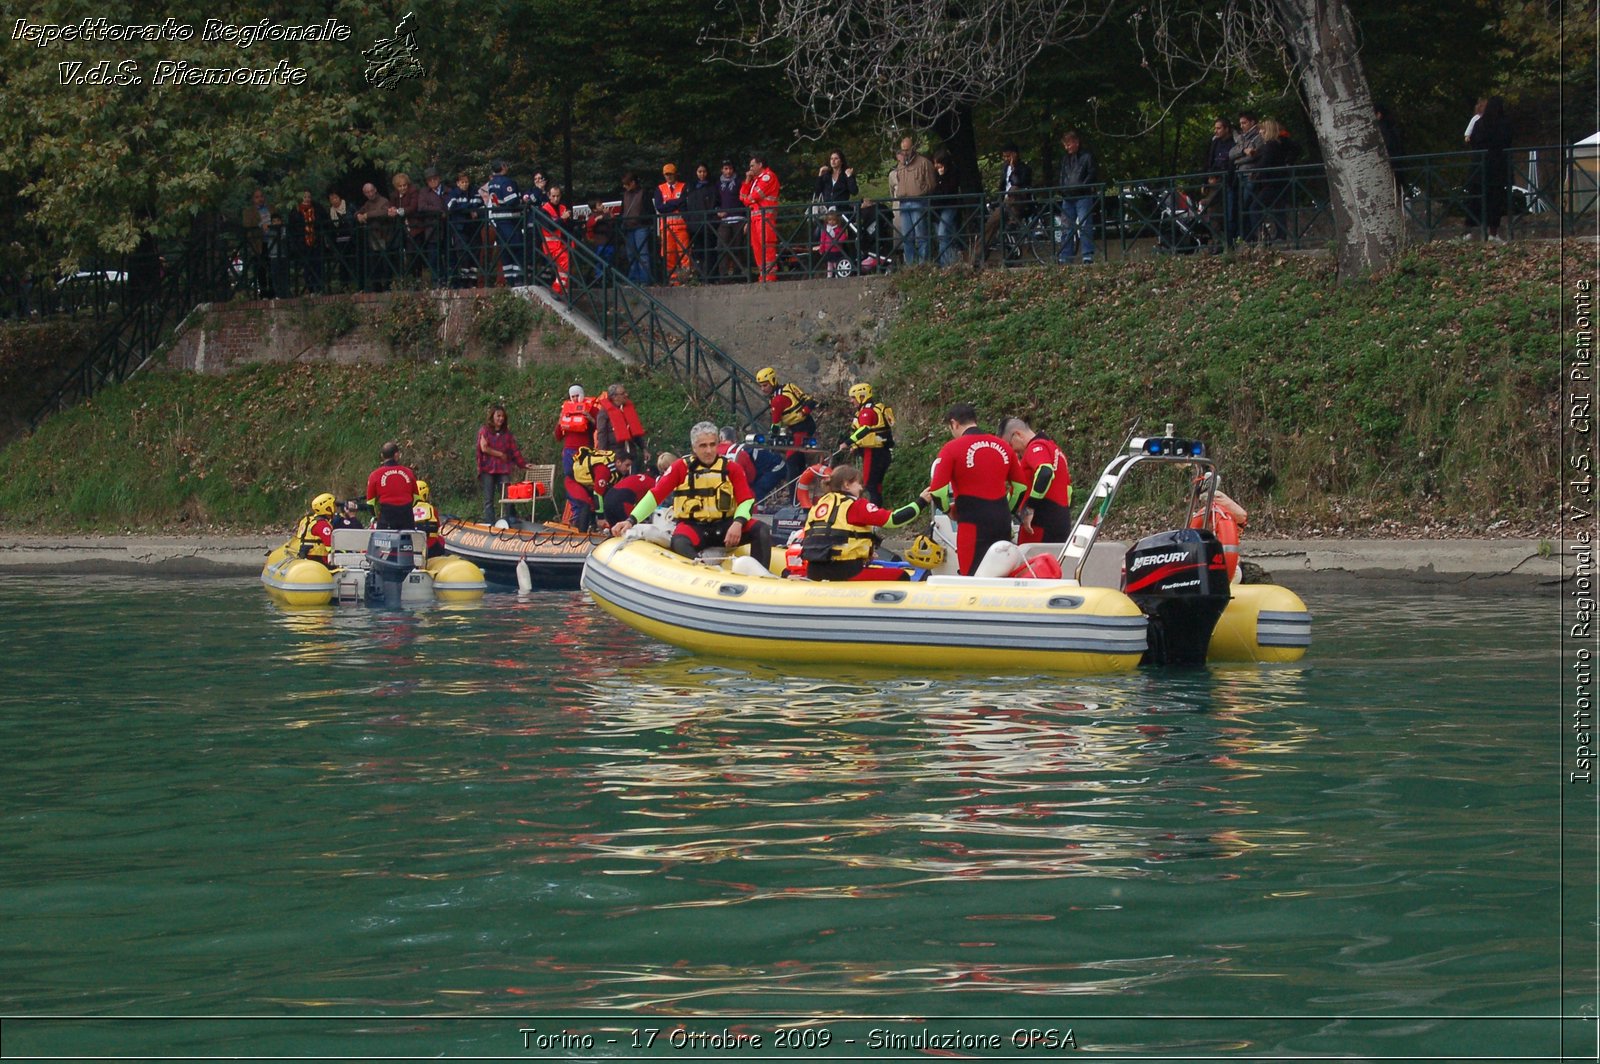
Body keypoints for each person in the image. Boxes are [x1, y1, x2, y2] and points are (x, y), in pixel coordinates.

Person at [610, 421, 773, 569]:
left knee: (762, 530)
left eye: (712, 445)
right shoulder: (680, 467)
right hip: (694, 527)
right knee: (679, 542)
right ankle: (702, 574)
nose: (709, 451)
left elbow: (746, 500)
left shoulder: (732, 468)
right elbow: (655, 495)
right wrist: (631, 520)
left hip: (725, 525)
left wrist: (738, 523)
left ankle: (760, 577)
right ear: (694, 447)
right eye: (703, 446)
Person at [927, 402, 1026, 576]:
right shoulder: (1003, 446)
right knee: (1001, 574)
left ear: (954, 424)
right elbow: (1020, 487)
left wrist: (947, 510)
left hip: (972, 522)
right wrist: (1007, 510)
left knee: (972, 577)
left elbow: (937, 491)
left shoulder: (952, 449)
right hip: (1002, 521)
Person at [800, 465, 933, 581]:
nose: (861, 487)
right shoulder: (855, 505)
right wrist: (921, 502)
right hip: (844, 571)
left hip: (814, 570)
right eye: (859, 483)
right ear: (847, 485)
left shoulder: (819, 505)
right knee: (901, 575)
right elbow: (894, 519)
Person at [998, 416, 1072, 544]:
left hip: (1038, 524)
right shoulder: (1056, 451)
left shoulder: (1035, 448)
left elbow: (1045, 472)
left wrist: (1030, 507)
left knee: (1030, 563)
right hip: (1062, 521)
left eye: (1010, 445)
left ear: (1017, 435)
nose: (1013, 452)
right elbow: (1068, 491)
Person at [755, 365, 818, 487]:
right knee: (798, 458)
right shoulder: (789, 387)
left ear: (773, 381)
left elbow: (776, 424)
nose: (762, 389)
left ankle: (793, 493)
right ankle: (800, 491)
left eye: (765, 385)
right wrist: (804, 412)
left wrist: (772, 436)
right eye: (761, 386)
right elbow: (811, 401)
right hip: (804, 425)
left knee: (791, 458)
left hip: (801, 427)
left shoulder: (777, 400)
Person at [1468, 95, 1513, 241]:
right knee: (1495, 200)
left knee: (1478, 199)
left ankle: (1472, 231)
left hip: (1480, 167)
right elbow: (1508, 141)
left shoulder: (1480, 123)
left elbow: (1473, 142)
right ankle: (1493, 232)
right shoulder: (1504, 123)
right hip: (1498, 167)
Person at [980, 143, 1032, 267]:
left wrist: (1014, 169)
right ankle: (977, 256)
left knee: (1013, 190)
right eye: (1004, 157)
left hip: (1020, 202)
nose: (1006, 159)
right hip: (1005, 203)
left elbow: (1019, 182)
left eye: (1008, 156)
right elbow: (1002, 186)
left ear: (1014, 155)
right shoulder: (1005, 168)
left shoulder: (1024, 169)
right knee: (990, 225)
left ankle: (1012, 220)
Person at [1190, 472, 1248, 582]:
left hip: (1229, 569)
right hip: (1204, 569)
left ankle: (1210, 492)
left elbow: (1242, 516)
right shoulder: (1198, 518)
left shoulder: (1223, 516)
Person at [477, 402, 526, 523]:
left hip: (503, 468)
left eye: (502, 416)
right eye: (498, 416)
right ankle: (490, 523)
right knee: (489, 498)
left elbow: (514, 450)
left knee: (508, 495)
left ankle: (511, 519)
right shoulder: (485, 430)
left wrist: (523, 464)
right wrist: (500, 454)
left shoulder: (507, 434)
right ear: (492, 416)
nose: (501, 418)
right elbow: (484, 448)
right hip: (487, 468)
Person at [845, 381, 893, 504]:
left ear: (862, 396)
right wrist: (855, 446)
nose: (851, 401)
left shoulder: (868, 412)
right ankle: (878, 510)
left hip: (873, 452)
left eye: (853, 398)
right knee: (875, 485)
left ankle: (873, 514)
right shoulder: (874, 409)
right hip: (882, 451)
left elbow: (865, 429)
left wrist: (848, 442)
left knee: (870, 484)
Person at [893, 135, 937, 265]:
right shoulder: (900, 165)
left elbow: (931, 183)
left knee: (922, 235)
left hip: (919, 201)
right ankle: (911, 264)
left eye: (907, 149)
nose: (904, 152)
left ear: (913, 148)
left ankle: (924, 263)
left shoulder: (924, 163)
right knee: (907, 237)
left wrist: (921, 191)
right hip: (904, 202)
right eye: (902, 150)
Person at [1056, 129, 1098, 265]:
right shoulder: (1065, 159)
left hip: (1082, 195)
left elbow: (1091, 173)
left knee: (1085, 225)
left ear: (1076, 142)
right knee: (1066, 227)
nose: (1067, 147)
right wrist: (1062, 189)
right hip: (1068, 197)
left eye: (1069, 144)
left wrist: (1083, 187)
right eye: (1065, 144)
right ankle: (1065, 256)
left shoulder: (1087, 156)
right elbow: (1062, 175)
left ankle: (1087, 255)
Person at [741, 153, 781, 282]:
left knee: (767, 246)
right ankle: (763, 275)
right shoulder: (755, 180)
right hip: (755, 218)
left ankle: (769, 276)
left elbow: (752, 197)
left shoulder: (768, 177)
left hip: (766, 217)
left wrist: (748, 199)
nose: (750, 168)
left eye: (752, 165)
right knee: (757, 247)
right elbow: (742, 197)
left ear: (760, 164)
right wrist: (747, 180)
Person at [482, 160, 524, 283]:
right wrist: (521, 201)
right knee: (517, 247)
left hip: (498, 221)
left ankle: (509, 278)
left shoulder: (491, 183)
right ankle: (518, 278)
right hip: (510, 220)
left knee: (505, 250)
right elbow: (511, 200)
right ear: (502, 167)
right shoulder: (507, 182)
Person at [1199, 118, 1236, 247]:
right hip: (1213, 181)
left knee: (1228, 213)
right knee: (1212, 214)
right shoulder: (1215, 143)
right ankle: (1218, 241)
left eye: (1219, 128)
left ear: (1226, 129)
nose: (1216, 131)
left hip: (1226, 180)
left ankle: (1229, 242)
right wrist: (1206, 180)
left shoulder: (1233, 143)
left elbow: (1230, 163)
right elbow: (1210, 161)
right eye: (1216, 128)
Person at [1228, 112, 1265, 243]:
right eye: (1240, 123)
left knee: (1248, 204)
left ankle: (1257, 237)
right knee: (1243, 206)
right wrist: (1243, 151)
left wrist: (1238, 159)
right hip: (1241, 174)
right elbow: (1231, 153)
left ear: (1252, 122)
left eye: (1244, 123)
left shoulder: (1259, 136)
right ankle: (1249, 237)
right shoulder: (1243, 137)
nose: (1242, 126)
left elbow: (1254, 154)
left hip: (1250, 174)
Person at [366, 441, 419, 530]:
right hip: (406, 516)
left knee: (380, 542)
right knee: (407, 542)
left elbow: (370, 503)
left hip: (386, 517)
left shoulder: (375, 475)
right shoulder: (408, 473)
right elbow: (416, 497)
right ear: (397, 455)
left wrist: (376, 516)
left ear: (382, 456)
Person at [595, 382, 647, 470]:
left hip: (631, 454)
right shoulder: (604, 413)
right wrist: (603, 456)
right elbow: (602, 435)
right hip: (616, 457)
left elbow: (635, 431)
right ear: (614, 397)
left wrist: (644, 449)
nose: (626, 395)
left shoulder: (627, 410)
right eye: (622, 393)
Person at [654, 163, 691, 285]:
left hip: (681, 226)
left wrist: (668, 203)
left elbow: (684, 204)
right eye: (666, 174)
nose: (668, 176)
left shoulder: (683, 186)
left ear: (675, 174)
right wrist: (676, 203)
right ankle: (673, 280)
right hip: (666, 227)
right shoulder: (660, 188)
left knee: (684, 254)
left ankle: (686, 278)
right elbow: (660, 207)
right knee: (669, 255)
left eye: (670, 174)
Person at [355, 181, 395, 290]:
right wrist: (359, 215)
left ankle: (387, 285)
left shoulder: (384, 201)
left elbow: (383, 212)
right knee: (374, 263)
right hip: (373, 237)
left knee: (385, 262)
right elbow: (358, 212)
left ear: (375, 190)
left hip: (384, 236)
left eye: (371, 191)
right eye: (367, 192)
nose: (370, 194)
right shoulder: (367, 204)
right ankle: (376, 286)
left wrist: (367, 215)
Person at [563, 445, 614, 532]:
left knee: (600, 503)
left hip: (588, 485)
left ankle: (594, 527)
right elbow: (598, 494)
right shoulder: (603, 470)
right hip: (573, 482)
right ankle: (581, 534)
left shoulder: (616, 472)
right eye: (627, 465)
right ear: (619, 462)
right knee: (585, 505)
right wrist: (601, 517)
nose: (628, 469)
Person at [602, 452, 659, 527]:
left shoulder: (635, 477)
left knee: (615, 530)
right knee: (632, 528)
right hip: (621, 501)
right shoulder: (653, 483)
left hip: (607, 499)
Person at [684, 163, 720, 280]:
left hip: (709, 224)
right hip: (695, 225)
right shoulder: (690, 187)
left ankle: (711, 276)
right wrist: (688, 219)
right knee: (698, 251)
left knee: (710, 250)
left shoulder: (712, 187)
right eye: (699, 172)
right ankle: (700, 275)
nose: (702, 174)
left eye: (704, 171)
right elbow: (683, 204)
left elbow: (716, 203)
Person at [445, 172, 482, 285]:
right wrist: (469, 208)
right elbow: (451, 206)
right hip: (459, 228)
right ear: (458, 183)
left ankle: (473, 281)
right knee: (463, 255)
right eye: (462, 182)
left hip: (473, 228)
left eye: (466, 182)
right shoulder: (453, 193)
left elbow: (480, 203)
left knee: (475, 254)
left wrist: (467, 207)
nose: (465, 184)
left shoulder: (474, 191)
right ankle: (464, 281)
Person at [713, 160, 747, 281]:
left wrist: (747, 220)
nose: (728, 171)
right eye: (726, 169)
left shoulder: (739, 182)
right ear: (722, 170)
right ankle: (724, 275)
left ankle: (739, 274)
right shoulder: (718, 184)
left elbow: (745, 198)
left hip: (739, 217)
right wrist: (718, 211)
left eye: (730, 169)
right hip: (725, 219)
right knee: (721, 247)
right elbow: (716, 200)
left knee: (738, 247)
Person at [554, 383, 595, 477]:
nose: (576, 399)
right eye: (573, 396)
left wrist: (591, 419)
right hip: (569, 450)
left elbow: (600, 429)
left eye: (577, 395)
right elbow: (558, 436)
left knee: (586, 476)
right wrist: (560, 421)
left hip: (585, 449)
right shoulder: (566, 410)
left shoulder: (592, 409)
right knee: (569, 476)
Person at [618, 171, 651, 284]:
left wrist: (642, 219)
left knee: (642, 253)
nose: (625, 186)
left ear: (633, 183)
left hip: (640, 226)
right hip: (628, 227)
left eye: (627, 184)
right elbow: (623, 210)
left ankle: (644, 279)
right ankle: (634, 279)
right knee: (631, 254)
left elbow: (648, 210)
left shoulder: (643, 193)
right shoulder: (625, 195)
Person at [287, 492, 337, 566]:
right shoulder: (322, 525)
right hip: (319, 560)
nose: (335, 508)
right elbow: (330, 546)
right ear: (328, 508)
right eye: (333, 505)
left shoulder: (307, 520)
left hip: (304, 555)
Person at [540, 183, 573, 296]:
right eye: (553, 196)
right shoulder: (544, 210)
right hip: (552, 246)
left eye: (558, 196)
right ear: (549, 196)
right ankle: (557, 289)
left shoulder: (563, 208)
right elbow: (550, 228)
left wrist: (567, 219)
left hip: (564, 244)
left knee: (566, 268)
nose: (556, 198)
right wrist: (562, 219)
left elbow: (569, 227)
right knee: (565, 264)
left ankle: (564, 291)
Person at [932, 149, 963, 267]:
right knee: (944, 235)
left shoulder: (954, 172)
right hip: (938, 207)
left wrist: (942, 177)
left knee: (943, 233)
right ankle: (949, 261)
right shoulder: (936, 173)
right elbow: (936, 190)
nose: (936, 166)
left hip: (950, 205)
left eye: (937, 163)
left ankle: (944, 263)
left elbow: (949, 189)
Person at [815, 150, 859, 217]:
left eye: (836, 158)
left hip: (842, 210)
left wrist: (849, 176)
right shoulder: (827, 175)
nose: (833, 161)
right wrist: (820, 175)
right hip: (827, 210)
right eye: (831, 158)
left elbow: (854, 191)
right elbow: (817, 191)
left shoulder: (846, 174)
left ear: (841, 161)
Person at [412, 479, 444, 557]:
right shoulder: (432, 509)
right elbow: (438, 527)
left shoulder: (407, 510)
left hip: (414, 548)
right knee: (441, 539)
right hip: (432, 548)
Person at [814, 210, 850, 277]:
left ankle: (837, 274)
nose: (831, 222)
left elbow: (843, 236)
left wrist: (839, 241)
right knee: (829, 264)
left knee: (836, 263)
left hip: (837, 249)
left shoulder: (838, 229)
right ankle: (829, 275)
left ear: (837, 221)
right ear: (827, 220)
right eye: (830, 220)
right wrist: (822, 249)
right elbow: (822, 239)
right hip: (828, 250)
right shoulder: (825, 229)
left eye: (834, 220)